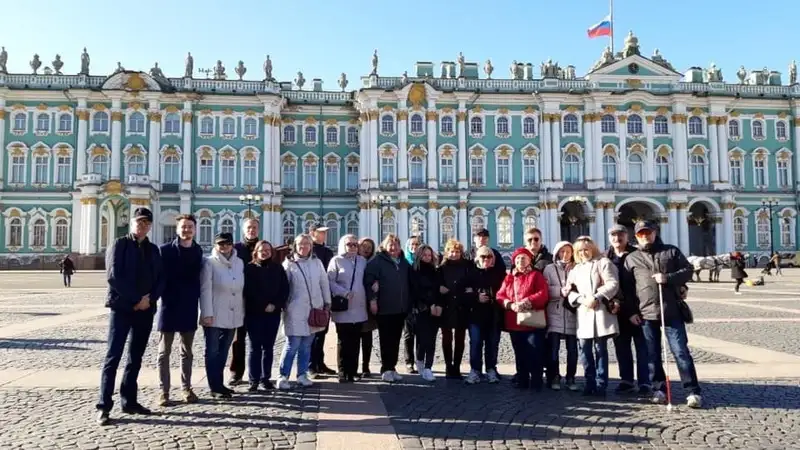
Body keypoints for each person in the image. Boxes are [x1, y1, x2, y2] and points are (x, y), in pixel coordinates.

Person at [96, 207, 163, 426]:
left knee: (136, 357)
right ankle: (104, 406)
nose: (143, 226)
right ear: (132, 223)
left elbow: (160, 279)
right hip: (123, 309)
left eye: (146, 223)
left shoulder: (153, 249)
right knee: (113, 357)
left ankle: (129, 401)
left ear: (150, 226)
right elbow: (114, 276)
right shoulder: (119, 244)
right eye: (139, 222)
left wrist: (150, 299)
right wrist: (136, 299)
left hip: (145, 310)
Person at [624, 220, 702, 409]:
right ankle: (658, 389)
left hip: (671, 311)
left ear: (655, 232)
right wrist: (632, 312)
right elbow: (627, 289)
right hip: (646, 313)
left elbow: (688, 271)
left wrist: (668, 278)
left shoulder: (671, 251)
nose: (645, 236)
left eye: (648, 232)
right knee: (652, 355)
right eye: (641, 234)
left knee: (681, 352)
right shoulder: (631, 258)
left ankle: (692, 391)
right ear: (636, 236)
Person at [156, 214, 204, 406]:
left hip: (189, 306)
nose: (187, 230)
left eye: (190, 227)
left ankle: (186, 388)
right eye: (183, 227)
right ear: (177, 229)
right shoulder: (164, 250)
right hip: (168, 306)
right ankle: (164, 392)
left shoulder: (198, 251)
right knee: (163, 352)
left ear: (194, 229)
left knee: (187, 352)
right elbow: (157, 276)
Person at [566, 236, 619, 397]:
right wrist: (582, 299)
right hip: (584, 313)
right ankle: (589, 382)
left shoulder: (603, 263)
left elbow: (613, 283)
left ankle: (601, 383)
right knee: (585, 350)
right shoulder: (575, 269)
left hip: (600, 311)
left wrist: (597, 297)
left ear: (592, 249)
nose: (583, 253)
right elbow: (570, 291)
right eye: (580, 250)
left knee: (600, 349)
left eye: (586, 249)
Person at [278, 234, 332, 389]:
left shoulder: (317, 263)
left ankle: (302, 374)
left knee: (307, 345)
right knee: (292, 344)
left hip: (314, 309)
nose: (304, 247)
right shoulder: (289, 264)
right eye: (301, 244)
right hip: (295, 309)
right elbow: (284, 286)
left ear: (311, 246)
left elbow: (324, 283)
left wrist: (327, 302)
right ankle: (283, 375)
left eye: (307, 244)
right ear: (295, 246)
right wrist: (285, 304)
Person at [200, 232, 245, 399]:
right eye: (220, 244)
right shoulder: (209, 263)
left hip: (233, 314)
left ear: (232, 245)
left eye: (227, 244)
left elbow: (240, 289)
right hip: (214, 313)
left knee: (224, 350)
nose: (224, 247)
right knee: (212, 351)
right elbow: (205, 289)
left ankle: (220, 383)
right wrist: (207, 313)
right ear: (215, 246)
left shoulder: (239, 263)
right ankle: (214, 386)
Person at [606, 225, 650, 396]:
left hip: (639, 309)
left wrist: (635, 311)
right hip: (617, 311)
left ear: (627, 236)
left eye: (621, 235)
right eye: (613, 235)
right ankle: (626, 380)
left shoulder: (637, 255)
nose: (617, 238)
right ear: (610, 238)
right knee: (622, 347)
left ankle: (645, 382)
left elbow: (643, 284)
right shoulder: (605, 257)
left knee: (642, 348)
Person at [497, 247, 549, 390]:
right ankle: (522, 379)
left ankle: (537, 380)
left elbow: (543, 294)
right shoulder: (509, 277)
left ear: (529, 260)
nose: (520, 261)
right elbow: (500, 295)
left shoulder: (535, 275)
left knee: (535, 351)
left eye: (523, 258)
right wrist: (510, 304)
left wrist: (528, 301)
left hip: (533, 321)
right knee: (519, 353)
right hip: (514, 321)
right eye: (518, 258)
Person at [364, 234, 411, 383]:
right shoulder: (377, 262)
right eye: (390, 244)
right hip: (384, 307)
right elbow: (368, 283)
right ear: (384, 246)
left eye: (396, 244)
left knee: (396, 339)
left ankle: (392, 367)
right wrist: (372, 301)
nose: (394, 247)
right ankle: (385, 368)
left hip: (400, 308)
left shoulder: (403, 262)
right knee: (386, 339)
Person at [243, 240, 289, 391]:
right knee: (254, 347)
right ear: (256, 252)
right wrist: (263, 305)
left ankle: (266, 378)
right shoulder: (249, 269)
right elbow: (248, 291)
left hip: (273, 314)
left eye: (268, 250)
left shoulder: (278, 268)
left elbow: (284, 289)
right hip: (254, 313)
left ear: (271, 252)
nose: (265, 252)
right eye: (262, 250)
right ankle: (253, 379)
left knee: (268, 347)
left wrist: (275, 304)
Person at [327, 234, 368, 383]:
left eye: (355, 244)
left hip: (359, 306)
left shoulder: (362, 261)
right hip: (343, 306)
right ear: (343, 245)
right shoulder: (336, 261)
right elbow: (329, 281)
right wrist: (343, 292)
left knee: (356, 340)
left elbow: (367, 279)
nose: (352, 247)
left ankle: (353, 371)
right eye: (349, 244)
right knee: (343, 341)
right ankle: (343, 371)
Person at [542, 241, 579, 391]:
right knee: (553, 349)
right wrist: (559, 291)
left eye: (568, 252)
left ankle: (571, 377)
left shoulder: (577, 268)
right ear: (557, 253)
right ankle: (555, 376)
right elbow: (545, 289)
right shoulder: (549, 269)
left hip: (572, 314)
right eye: (562, 251)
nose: (565, 255)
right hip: (555, 313)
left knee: (573, 350)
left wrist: (573, 292)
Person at [466, 245, 505, 385]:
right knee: (475, 343)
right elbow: (463, 293)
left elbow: (504, 291)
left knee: (492, 344)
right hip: (475, 315)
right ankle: (475, 370)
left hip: (493, 315)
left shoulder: (499, 274)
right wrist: (476, 297)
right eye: (483, 256)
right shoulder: (471, 273)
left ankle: (491, 369)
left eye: (489, 257)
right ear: (477, 258)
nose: (486, 259)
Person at [228, 218, 260, 386]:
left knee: (258, 340)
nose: (252, 230)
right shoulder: (236, 249)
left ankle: (258, 373)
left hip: (258, 300)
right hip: (239, 299)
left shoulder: (262, 247)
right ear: (243, 229)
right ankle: (236, 372)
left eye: (254, 227)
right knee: (238, 339)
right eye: (249, 227)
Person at [438, 239, 475, 380]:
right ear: (447, 252)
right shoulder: (442, 267)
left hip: (461, 306)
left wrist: (469, 291)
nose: (454, 254)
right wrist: (440, 289)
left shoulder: (467, 266)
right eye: (452, 251)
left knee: (460, 338)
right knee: (446, 338)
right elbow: (438, 283)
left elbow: (471, 281)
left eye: (457, 251)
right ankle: (448, 366)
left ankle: (457, 367)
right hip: (447, 305)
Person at [409, 244, 441, 382]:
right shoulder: (414, 271)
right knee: (422, 339)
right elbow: (416, 291)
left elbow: (438, 289)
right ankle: (420, 361)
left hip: (434, 309)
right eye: (424, 255)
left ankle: (428, 367)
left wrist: (438, 304)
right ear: (419, 255)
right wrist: (430, 304)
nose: (427, 258)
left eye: (429, 255)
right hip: (421, 309)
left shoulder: (435, 270)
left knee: (432, 340)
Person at [308, 223, 336, 377]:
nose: (324, 235)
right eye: (321, 232)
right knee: (312, 332)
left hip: (325, 296)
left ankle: (320, 362)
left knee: (322, 331)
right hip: (312, 297)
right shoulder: (308, 250)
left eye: (325, 232)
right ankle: (311, 366)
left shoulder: (327, 251)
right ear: (312, 233)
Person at [357, 238, 378, 377]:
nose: (367, 249)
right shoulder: (355, 261)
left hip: (369, 302)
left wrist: (378, 281)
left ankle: (365, 366)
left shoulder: (374, 263)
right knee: (352, 337)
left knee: (367, 336)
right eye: (364, 246)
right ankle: (351, 366)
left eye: (369, 247)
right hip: (354, 303)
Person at [402, 236, 421, 373]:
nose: (414, 246)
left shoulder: (423, 261)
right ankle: (409, 361)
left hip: (421, 302)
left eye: (417, 244)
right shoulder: (404, 262)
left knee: (421, 333)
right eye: (412, 244)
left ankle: (420, 360)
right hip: (407, 302)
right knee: (409, 333)